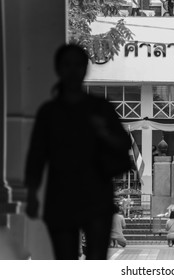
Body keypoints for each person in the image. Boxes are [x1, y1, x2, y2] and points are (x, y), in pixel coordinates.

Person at [25, 44, 132, 260]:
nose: (73, 70)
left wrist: (103, 132)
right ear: (58, 69)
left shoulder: (100, 108)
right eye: (67, 65)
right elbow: (36, 156)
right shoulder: (50, 112)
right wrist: (32, 194)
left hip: (96, 195)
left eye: (78, 65)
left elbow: (123, 143)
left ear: (85, 69)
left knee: (95, 260)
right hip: (61, 196)